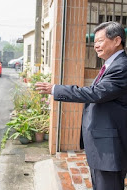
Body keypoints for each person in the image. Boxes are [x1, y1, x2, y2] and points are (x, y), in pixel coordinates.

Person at [35, 21, 127, 190]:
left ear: (117, 40)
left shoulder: (122, 67)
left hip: (110, 148)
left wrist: (55, 89)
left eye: (100, 41)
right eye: (95, 42)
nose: (95, 46)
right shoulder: (111, 65)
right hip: (103, 145)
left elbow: (95, 93)